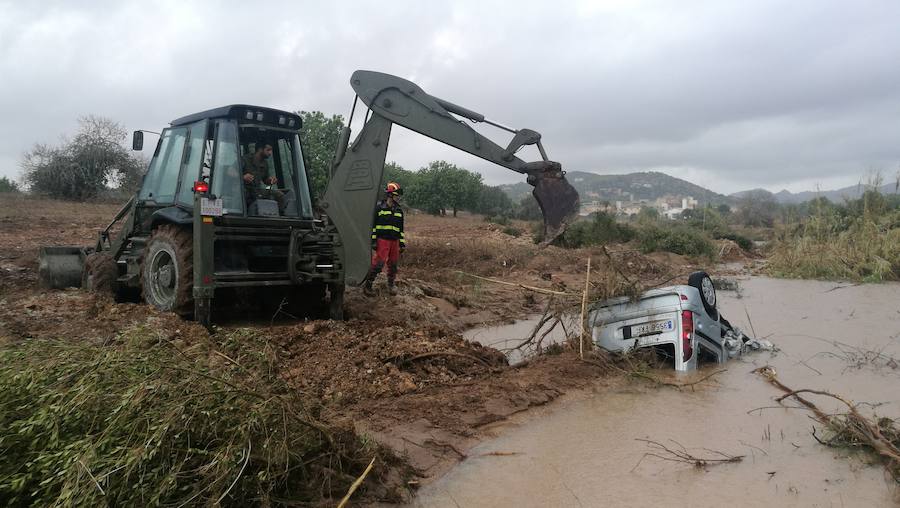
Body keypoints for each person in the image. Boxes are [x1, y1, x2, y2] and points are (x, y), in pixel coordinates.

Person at [363, 182, 406, 295]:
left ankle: (391, 285)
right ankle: (368, 285)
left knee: (393, 264)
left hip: (395, 241)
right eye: (396, 194)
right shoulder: (379, 208)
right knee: (378, 263)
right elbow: (373, 226)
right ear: (390, 195)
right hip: (382, 240)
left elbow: (401, 229)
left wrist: (401, 243)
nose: (398, 197)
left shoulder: (399, 210)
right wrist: (373, 241)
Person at [242, 143, 285, 214]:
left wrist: (270, 180)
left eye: (271, 150)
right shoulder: (245, 159)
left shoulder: (265, 164)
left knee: (279, 195)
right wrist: (243, 177)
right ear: (260, 149)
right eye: (268, 150)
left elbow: (265, 180)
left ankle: (280, 217)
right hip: (244, 190)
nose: (270, 153)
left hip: (257, 191)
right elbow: (230, 171)